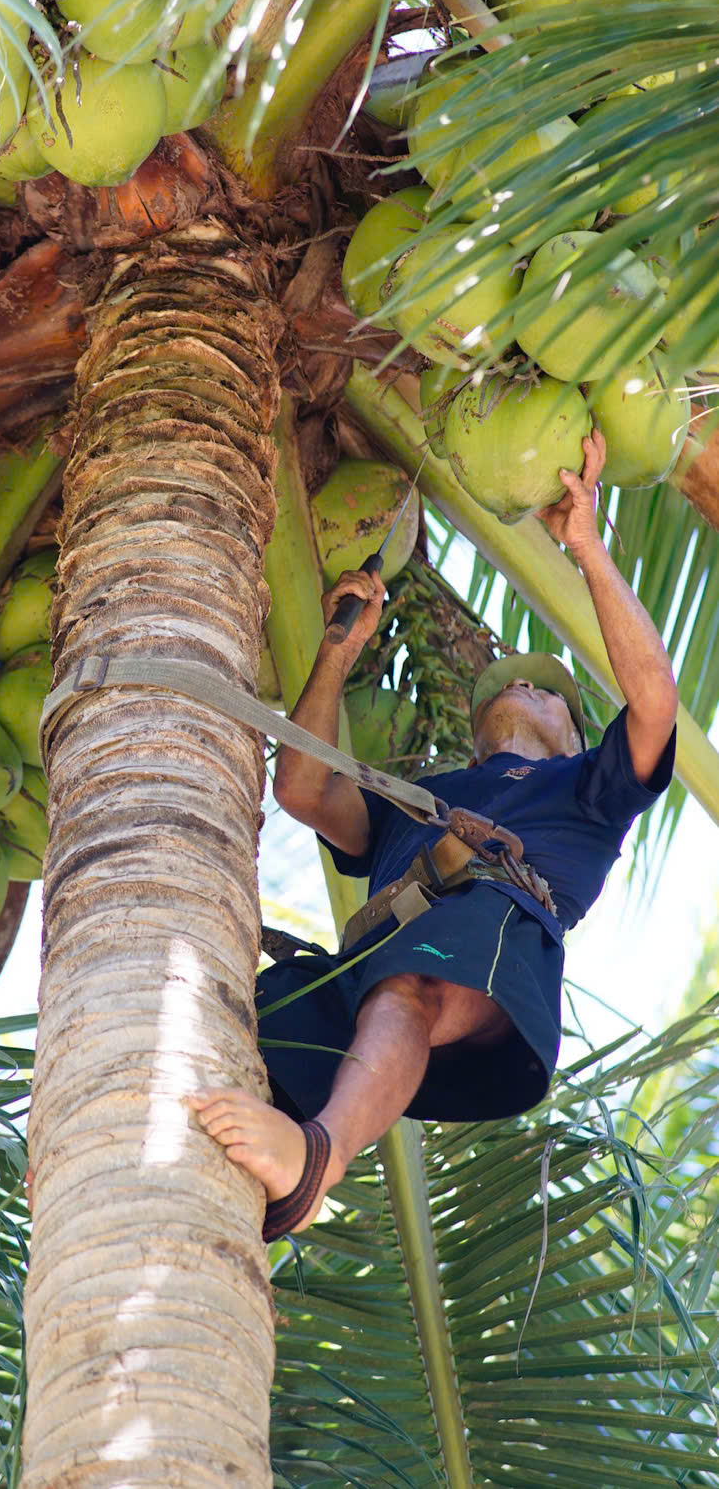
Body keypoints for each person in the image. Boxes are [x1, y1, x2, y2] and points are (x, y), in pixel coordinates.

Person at [192, 429, 679, 1240]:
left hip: (485, 950)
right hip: (371, 971)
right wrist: (337, 652)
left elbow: (656, 699)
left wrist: (587, 548)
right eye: (508, 686)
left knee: (412, 985)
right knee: (255, 1022)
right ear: (476, 737)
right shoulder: (427, 798)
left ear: (576, 737)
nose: (524, 683)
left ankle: (319, 1158)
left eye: (549, 692)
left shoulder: (587, 790)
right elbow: (303, 786)